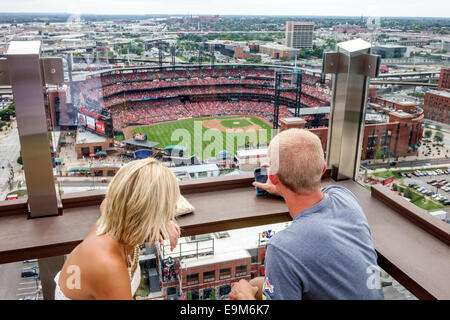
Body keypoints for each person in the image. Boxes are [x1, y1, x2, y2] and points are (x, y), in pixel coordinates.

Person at [230, 129, 384, 300]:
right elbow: (309, 195)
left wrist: (244, 298)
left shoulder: (282, 248)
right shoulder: (344, 197)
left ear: (272, 177)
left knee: (247, 291)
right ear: (323, 169)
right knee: (259, 284)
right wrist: (283, 188)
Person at [54, 158, 181, 300]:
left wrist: (162, 222)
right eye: (170, 207)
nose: (175, 208)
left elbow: (108, 202)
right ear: (146, 215)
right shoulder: (108, 267)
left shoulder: (115, 221)